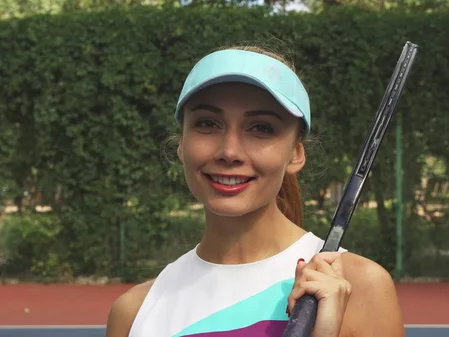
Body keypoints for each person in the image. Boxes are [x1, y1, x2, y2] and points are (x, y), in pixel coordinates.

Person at [105, 45, 404, 337]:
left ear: (296, 154)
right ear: (182, 144)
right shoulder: (132, 314)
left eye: (261, 128)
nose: (230, 151)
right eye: (208, 124)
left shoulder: (358, 287)